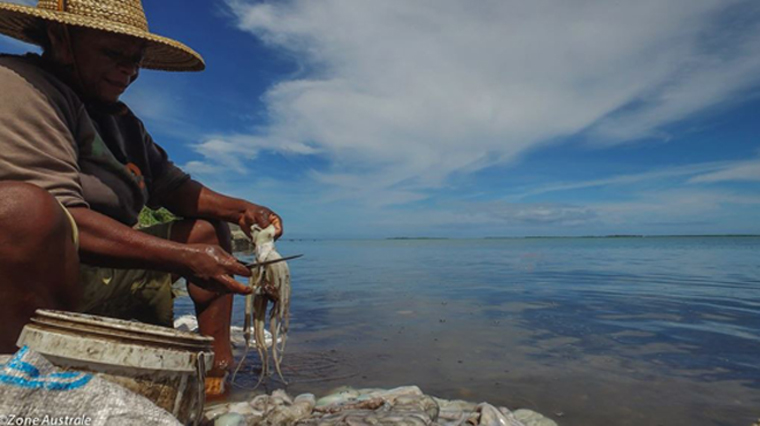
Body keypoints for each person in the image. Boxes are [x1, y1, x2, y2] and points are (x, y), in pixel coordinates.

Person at [0, 0, 281, 393]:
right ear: (60, 39)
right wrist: (183, 258)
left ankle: (217, 375)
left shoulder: (122, 121)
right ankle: (30, 376)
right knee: (20, 211)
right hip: (35, 278)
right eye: (114, 55)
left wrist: (244, 211)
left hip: (98, 273)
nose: (129, 71)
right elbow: (59, 215)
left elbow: (173, 188)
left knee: (204, 230)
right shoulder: (19, 83)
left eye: (136, 60)